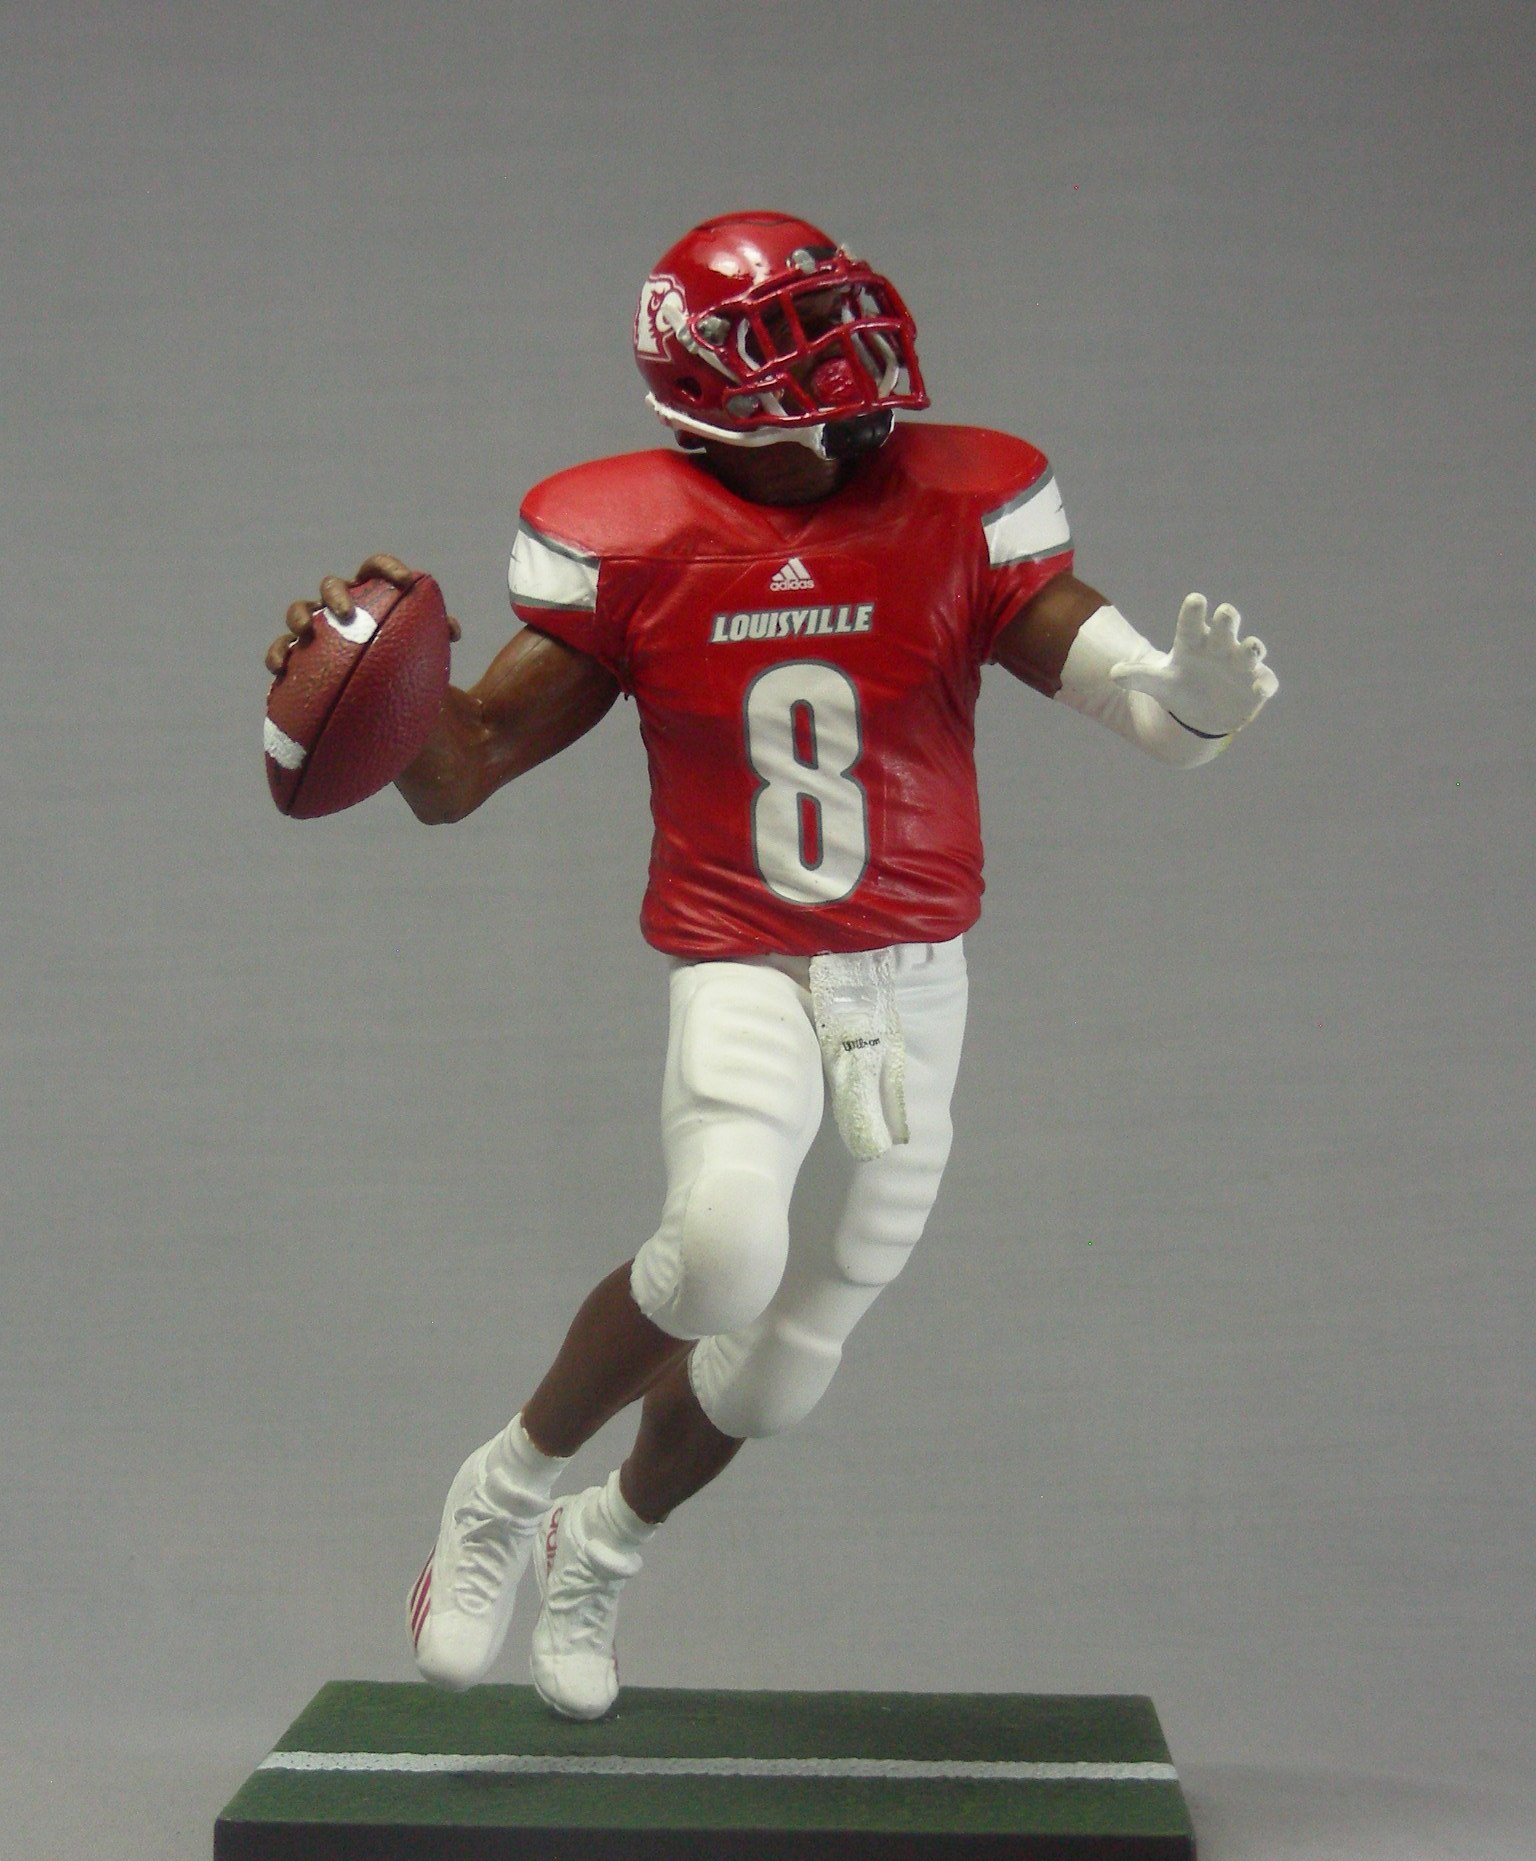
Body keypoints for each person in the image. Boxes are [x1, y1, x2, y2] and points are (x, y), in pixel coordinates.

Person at [268, 211, 1277, 1721]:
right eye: (793, 342)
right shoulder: (635, 539)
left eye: (838, 322)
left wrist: (1189, 696)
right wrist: (377, 694)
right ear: (700, 388)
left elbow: (1139, 706)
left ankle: (601, 1544)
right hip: (743, 957)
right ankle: (503, 1489)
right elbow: (459, 775)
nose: (847, 367)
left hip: (913, 972)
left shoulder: (957, 508)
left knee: (783, 1370)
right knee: (721, 1249)